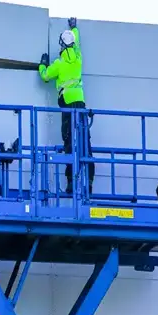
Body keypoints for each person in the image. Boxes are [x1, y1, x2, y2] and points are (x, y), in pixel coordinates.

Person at [38, 17, 94, 195]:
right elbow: (75, 41)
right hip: (81, 102)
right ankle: (89, 182)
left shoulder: (59, 64)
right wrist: (74, 28)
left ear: (61, 45)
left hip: (68, 106)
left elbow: (45, 76)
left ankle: (71, 183)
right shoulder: (78, 58)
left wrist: (42, 64)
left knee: (70, 141)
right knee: (85, 142)